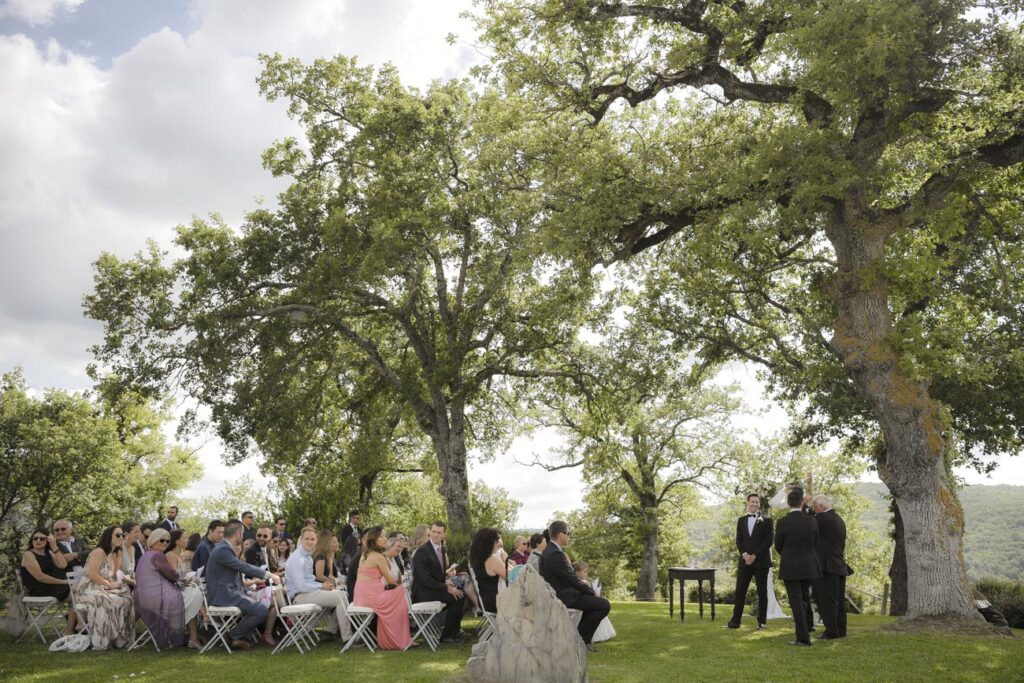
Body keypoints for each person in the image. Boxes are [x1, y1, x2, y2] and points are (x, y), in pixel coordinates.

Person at [205, 520, 281, 650]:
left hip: (230, 593)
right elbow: (242, 566)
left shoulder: (224, 547)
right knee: (261, 609)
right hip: (223, 596)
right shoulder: (223, 549)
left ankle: (241, 637)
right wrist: (269, 575)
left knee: (260, 605)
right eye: (243, 534)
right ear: (238, 534)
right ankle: (234, 636)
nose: (244, 537)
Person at [539, 520, 610, 650]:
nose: (569, 536)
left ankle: (580, 640)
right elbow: (572, 579)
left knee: (594, 604)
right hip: (563, 596)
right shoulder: (556, 554)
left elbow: (568, 578)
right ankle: (580, 640)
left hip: (559, 593)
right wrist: (591, 591)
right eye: (568, 533)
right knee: (603, 605)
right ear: (561, 535)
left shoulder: (548, 551)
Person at [134, 528, 199, 649]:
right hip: (157, 598)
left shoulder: (146, 555)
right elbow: (171, 574)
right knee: (193, 593)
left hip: (143, 598)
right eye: (161, 540)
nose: (164, 543)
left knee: (189, 594)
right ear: (153, 541)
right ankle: (190, 633)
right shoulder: (157, 555)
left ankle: (189, 635)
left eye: (167, 541)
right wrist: (184, 579)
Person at [285, 525, 352, 640]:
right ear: (301, 540)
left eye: (312, 539)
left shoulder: (308, 557)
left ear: (316, 540)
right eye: (307, 539)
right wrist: (321, 586)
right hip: (299, 597)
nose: (310, 542)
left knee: (343, 594)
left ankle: (330, 631)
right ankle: (347, 638)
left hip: (308, 594)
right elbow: (301, 586)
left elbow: (310, 581)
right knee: (341, 596)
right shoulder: (297, 558)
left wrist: (323, 586)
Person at [774, 488, 822, 647]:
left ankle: (803, 638)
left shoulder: (782, 522)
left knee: (796, 602)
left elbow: (778, 546)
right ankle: (806, 630)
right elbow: (815, 543)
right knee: (804, 599)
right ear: (802, 502)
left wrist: (788, 555)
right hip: (809, 565)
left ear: (788, 503)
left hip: (791, 566)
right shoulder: (812, 521)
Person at [353, 527, 413, 650]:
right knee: (402, 591)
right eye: (381, 536)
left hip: (360, 597)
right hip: (372, 598)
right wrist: (401, 585)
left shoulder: (364, 554)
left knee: (399, 592)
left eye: (385, 536)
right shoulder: (379, 557)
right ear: (373, 539)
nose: (385, 538)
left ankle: (393, 638)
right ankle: (397, 639)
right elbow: (391, 580)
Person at [76, 525, 134, 649]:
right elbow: (93, 575)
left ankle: (119, 639)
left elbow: (111, 575)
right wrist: (110, 585)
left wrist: (114, 585)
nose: (121, 538)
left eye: (122, 535)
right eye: (117, 535)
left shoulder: (114, 554)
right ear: (109, 537)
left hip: (102, 589)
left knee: (126, 599)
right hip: (88, 590)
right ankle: (102, 641)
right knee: (107, 600)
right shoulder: (99, 552)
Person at [411, 521, 467, 643]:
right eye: (433, 531)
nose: (435, 535)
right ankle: (448, 635)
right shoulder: (422, 552)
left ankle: (454, 632)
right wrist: (447, 588)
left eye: (439, 532)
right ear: (430, 532)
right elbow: (424, 580)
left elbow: (437, 575)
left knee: (461, 594)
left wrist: (447, 583)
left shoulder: (441, 549)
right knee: (457, 597)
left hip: (433, 589)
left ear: (443, 535)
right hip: (423, 593)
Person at [727, 493, 774, 630]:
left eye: (757, 502)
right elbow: (739, 540)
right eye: (752, 502)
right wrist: (745, 555)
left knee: (762, 592)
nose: (754, 504)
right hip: (745, 561)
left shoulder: (767, 520)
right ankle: (735, 621)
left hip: (761, 562)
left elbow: (768, 541)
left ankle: (762, 622)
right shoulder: (741, 520)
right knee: (740, 591)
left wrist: (754, 555)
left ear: (760, 504)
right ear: (747, 503)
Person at [20, 527, 77, 635]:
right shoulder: (28, 555)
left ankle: (73, 628)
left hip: (52, 587)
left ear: (47, 541)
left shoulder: (50, 553)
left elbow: (63, 564)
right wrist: (65, 582)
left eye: (42, 539)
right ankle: (71, 629)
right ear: (31, 540)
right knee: (77, 594)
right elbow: (40, 577)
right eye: (35, 538)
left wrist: (54, 547)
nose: (38, 541)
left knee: (78, 593)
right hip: (38, 590)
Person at [811, 494, 852, 640]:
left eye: (815, 508)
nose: (814, 511)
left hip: (827, 566)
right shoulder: (839, 519)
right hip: (839, 565)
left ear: (821, 507)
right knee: (839, 600)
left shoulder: (823, 518)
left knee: (826, 600)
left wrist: (802, 504)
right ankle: (841, 629)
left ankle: (831, 631)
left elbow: (808, 522)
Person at [164, 528, 206, 633]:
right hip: (172, 592)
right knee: (195, 591)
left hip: (181, 588)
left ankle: (195, 634)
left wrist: (189, 578)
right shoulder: (170, 555)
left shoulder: (179, 555)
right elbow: (172, 577)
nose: (187, 539)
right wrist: (185, 580)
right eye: (185, 537)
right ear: (177, 541)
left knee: (196, 589)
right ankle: (205, 615)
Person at [469, 527, 514, 613]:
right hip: (496, 602)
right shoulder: (492, 560)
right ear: (489, 543)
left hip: (484, 602)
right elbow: (512, 577)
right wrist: (505, 560)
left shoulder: (476, 559)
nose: (498, 544)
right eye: (497, 541)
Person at [574, 561, 616, 643]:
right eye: (584, 572)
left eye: (587, 572)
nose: (586, 574)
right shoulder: (578, 582)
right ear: (577, 573)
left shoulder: (586, 581)